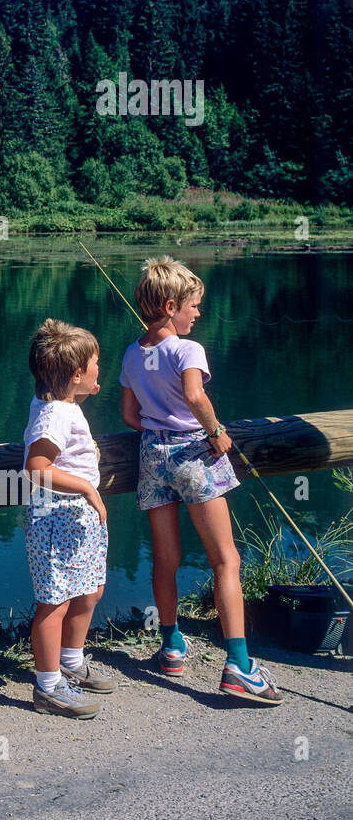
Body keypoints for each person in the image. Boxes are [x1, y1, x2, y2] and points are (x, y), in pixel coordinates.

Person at [119, 256, 281, 704]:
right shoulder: (187, 351)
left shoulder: (133, 353)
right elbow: (194, 395)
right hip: (195, 452)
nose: (198, 313)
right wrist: (216, 432)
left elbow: (130, 415)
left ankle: (170, 646)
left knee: (165, 558)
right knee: (226, 561)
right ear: (170, 305)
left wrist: (160, 428)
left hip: (153, 455)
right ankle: (240, 666)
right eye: (194, 305)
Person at [23, 319, 117, 717]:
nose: (100, 370)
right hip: (56, 517)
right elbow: (37, 467)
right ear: (77, 374)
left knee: (89, 590)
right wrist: (85, 487)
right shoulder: (54, 416)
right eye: (96, 364)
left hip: (78, 519)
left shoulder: (62, 404)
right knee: (54, 602)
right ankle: (47, 687)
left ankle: (72, 660)